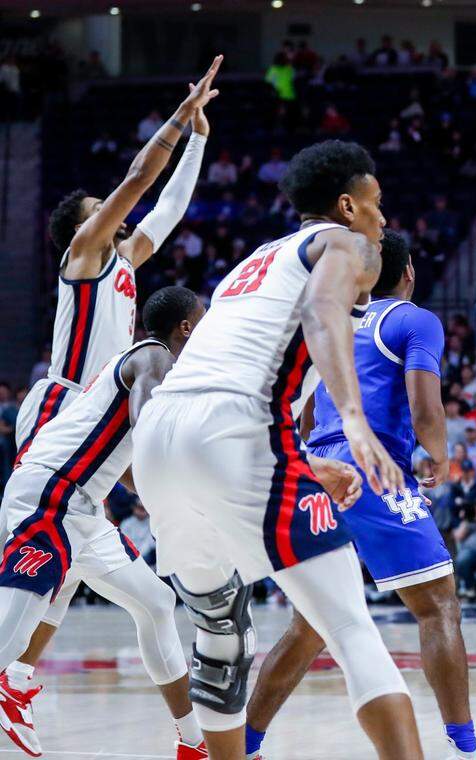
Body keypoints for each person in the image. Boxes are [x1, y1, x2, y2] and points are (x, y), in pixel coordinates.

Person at [131, 140, 423, 760]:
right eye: (376, 205)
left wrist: (305, 460)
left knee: (220, 637)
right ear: (346, 207)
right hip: (231, 432)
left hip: (160, 439)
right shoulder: (343, 244)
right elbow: (322, 314)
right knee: (350, 629)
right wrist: (354, 419)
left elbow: (235, 375)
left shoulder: (250, 263)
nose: (384, 220)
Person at [0, 58, 219, 746]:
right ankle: (16, 669)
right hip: (61, 409)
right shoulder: (85, 259)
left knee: (87, 558)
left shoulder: (124, 264)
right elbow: (137, 184)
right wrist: (176, 122)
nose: (117, 218)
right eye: (104, 214)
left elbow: (169, 207)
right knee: (54, 544)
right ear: (82, 230)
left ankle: (21, 676)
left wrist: (201, 140)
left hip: (103, 417)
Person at [242, 232, 476, 760]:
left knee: (311, 625)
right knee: (438, 607)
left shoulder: (329, 326)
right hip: (371, 468)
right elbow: (425, 407)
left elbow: (308, 415)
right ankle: (464, 749)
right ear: (407, 272)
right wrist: (441, 456)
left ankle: (242, 744)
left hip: (317, 470)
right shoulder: (412, 319)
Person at [0, 288, 207, 759]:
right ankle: (10, 683)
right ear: (187, 328)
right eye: (204, 317)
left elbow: (126, 465)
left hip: (82, 507)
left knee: (156, 602)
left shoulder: (142, 364)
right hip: (51, 493)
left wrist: (162, 501)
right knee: (8, 639)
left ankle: (193, 743)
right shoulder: (155, 356)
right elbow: (149, 424)